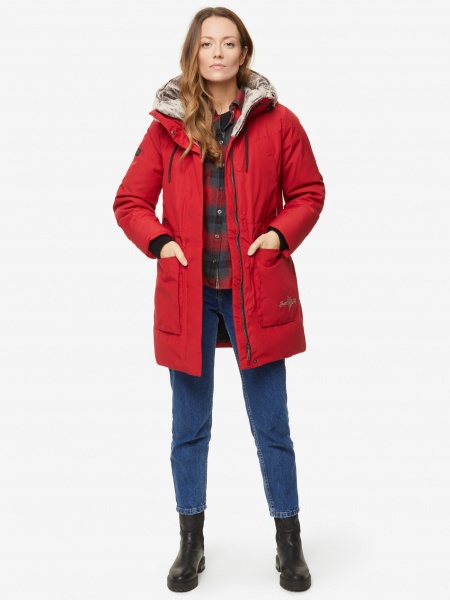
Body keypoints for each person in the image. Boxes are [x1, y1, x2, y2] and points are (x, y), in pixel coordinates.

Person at [113, 6, 325, 593]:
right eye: (208, 44)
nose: (218, 53)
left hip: (255, 291)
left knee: (272, 426)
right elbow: (130, 201)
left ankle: (289, 542)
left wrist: (278, 234)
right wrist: (161, 243)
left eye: (229, 43)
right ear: (194, 52)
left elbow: (309, 191)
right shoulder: (167, 126)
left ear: (243, 52)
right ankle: (191, 542)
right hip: (190, 295)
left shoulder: (279, 122)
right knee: (189, 427)